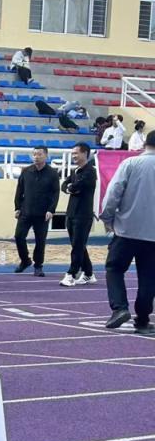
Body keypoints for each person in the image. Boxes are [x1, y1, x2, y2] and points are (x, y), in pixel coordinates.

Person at [101, 131, 155, 333]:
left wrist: (107, 218)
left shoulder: (130, 164)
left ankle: (120, 308)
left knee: (114, 268)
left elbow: (114, 192)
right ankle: (143, 320)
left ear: (145, 143)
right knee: (149, 277)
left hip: (126, 230)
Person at [13, 146, 60, 277]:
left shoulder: (52, 173)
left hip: (43, 213)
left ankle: (38, 265)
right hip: (25, 211)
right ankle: (25, 261)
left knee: (40, 240)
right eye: (34, 154)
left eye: (39, 154)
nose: (36, 157)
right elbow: (19, 190)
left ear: (46, 156)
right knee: (18, 236)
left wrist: (51, 210)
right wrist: (17, 207)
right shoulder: (26, 171)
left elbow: (56, 193)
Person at [59, 142, 97, 287]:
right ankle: (88, 273)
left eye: (76, 153)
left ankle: (71, 274)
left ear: (85, 153)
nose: (73, 156)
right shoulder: (75, 171)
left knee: (78, 246)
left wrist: (71, 187)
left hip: (83, 214)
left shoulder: (90, 171)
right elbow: (65, 185)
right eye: (73, 153)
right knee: (78, 245)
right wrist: (69, 188)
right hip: (71, 213)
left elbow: (77, 186)